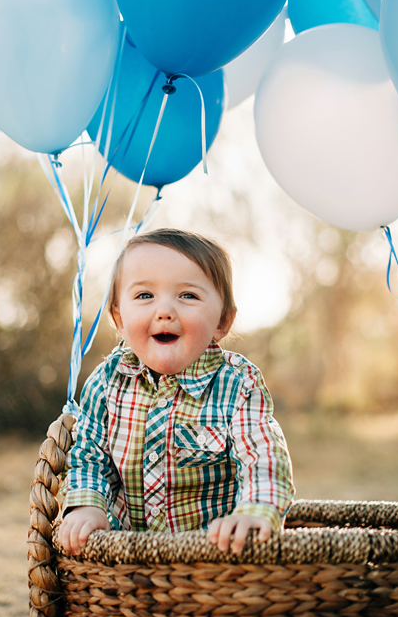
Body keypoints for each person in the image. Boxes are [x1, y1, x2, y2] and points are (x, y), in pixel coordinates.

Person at [57, 228, 294, 557]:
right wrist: (87, 505)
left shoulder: (237, 384)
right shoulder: (108, 382)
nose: (165, 310)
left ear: (222, 322)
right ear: (118, 319)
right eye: (144, 296)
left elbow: (261, 454)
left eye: (188, 296)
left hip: (214, 562)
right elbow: (89, 454)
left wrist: (255, 509)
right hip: (127, 561)